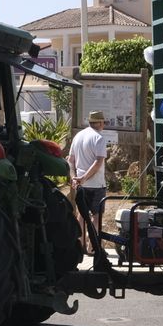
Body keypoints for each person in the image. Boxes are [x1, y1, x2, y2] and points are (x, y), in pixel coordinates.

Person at [68, 110, 112, 270]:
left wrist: (74, 177)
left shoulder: (78, 136)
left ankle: (79, 245)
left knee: (81, 214)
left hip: (79, 184)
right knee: (96, 216)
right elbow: (98, 162)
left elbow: (70, 160)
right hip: (96, 184)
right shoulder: (99, 138)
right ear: (100, 123)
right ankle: (93, 246)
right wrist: (85, 178)